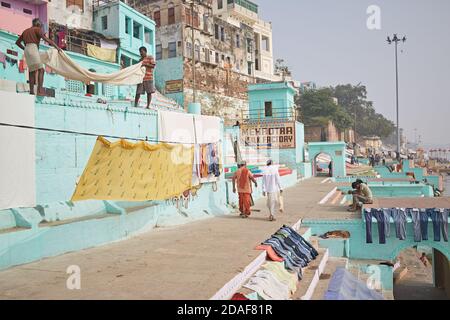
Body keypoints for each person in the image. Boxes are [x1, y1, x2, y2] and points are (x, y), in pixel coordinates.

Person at [15, 18, 62, 96]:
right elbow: (46, 39)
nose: (41, 27)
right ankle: (39, 91)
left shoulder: (25, 31)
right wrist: (57, 47)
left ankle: (31, 91)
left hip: (27, 49)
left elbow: (17, 42)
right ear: (38, 24)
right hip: (33, 48)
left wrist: (25, 49)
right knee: (41, 70)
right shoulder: (37, 29)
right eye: (41, 25)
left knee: (32, 71)